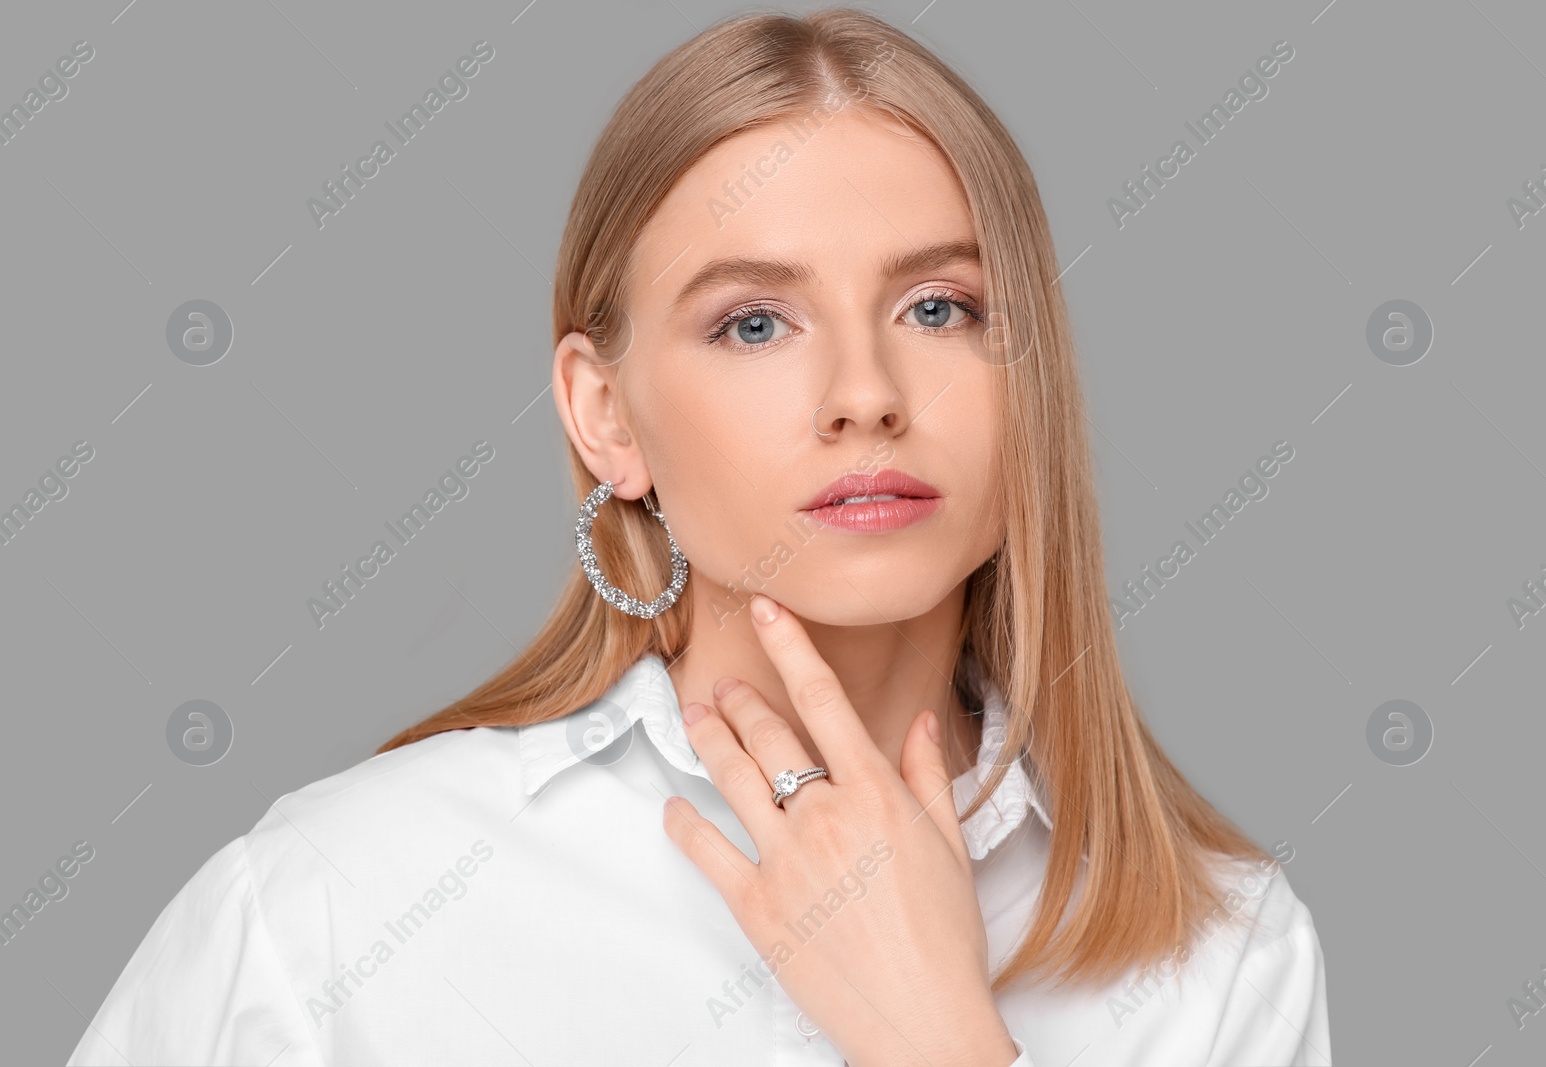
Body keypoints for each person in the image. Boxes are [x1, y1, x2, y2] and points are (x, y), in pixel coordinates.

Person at [67, 8, 1328, 1065]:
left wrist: (941, 1038)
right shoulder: (341, 900)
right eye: (753, 324)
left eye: (939, 306)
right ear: (606, 416)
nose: (867, 391)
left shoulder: (1219, 956)